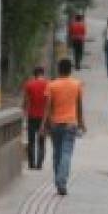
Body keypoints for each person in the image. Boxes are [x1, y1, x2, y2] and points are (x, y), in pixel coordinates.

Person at [41, 58, 85, 196]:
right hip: (71, 123)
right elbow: (79, 106)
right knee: (66, 153)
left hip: (55, 124)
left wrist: (43, 125)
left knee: (57, 154)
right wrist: (82, 123)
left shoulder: (52, 85)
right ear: (70, 70)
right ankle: (62, 181)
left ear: (59, 69)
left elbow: (47, 107)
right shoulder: (77, 84)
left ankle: (58, 181)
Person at [21, 65, 49, 169]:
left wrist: (23, 113)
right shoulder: (48, 85)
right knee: (41, 141)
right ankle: (39, 165)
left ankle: (31, 164)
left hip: (31, 116)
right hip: (43, 118)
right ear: (43, 73)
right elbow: (49, 103)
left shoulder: (29, 85)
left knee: (31, 141)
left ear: (34, 74)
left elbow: (26, 102)